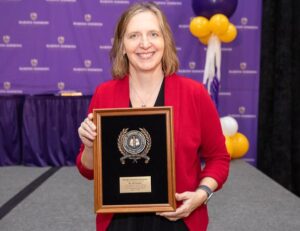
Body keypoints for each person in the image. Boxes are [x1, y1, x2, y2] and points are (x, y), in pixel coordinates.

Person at [77, 2, 230, 231]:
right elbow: (87, 170)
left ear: (165, 41)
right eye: (134, 35)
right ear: (122, 46)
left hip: (179, 219)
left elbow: (219, 158)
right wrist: (89, 146)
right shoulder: (105, 94)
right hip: (120, 221)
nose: (145, 44)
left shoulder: (194, 94)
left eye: (153, 34)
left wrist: (202, 194)